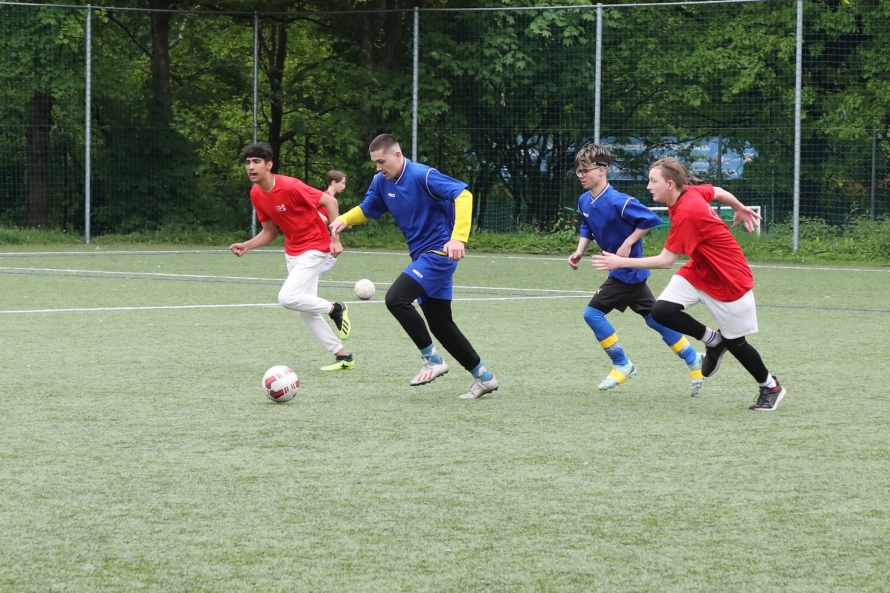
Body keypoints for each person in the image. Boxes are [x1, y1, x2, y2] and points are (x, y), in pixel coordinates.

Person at [592, 157, 786, 411]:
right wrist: (739, 207)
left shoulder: (687, 212)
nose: (648, 186)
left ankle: (770, 386)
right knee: (661, 311)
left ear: (669, 184)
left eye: (653, 181)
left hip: (729, 279)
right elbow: (718, 191)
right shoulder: (687, 193)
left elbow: (665, 261)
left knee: (737, 343)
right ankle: (713, 340)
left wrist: (620, 262)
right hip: (699, 271)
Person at [329, 133, 498, 399]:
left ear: (397, 155)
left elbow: (463, 195)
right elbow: (368, 208)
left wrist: (458, 237)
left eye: (382, 162)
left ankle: (432, 359)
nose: (378, 168)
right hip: (421, 257)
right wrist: (344, 219)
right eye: (375, 163)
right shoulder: (381, 182)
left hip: (439, 254)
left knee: (396, 299)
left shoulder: (423, 175)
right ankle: (484, 377)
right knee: (441, 325)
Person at [567, 144, 704, 395]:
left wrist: (629, 243)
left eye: (585, 170)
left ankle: (622, 364)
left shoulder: (619, 200)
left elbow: (650, 219)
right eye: (579, 171)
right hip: (624, 272)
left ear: (602, 170)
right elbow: (586, 225)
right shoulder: (584, 200)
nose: (581, 175)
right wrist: (579, 250)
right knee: (655, 319)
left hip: (627, 273)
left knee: (592, 314)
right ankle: (693, 357)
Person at [230, 142, 354, 372]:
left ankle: (335, 308)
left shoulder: (290, 186)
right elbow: (270, 232)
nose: (251, 167)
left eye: (256, 162)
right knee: (306, 311)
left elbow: (330, 201)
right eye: (248, 163)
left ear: (269, 165)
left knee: (287, 297)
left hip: (316, 246)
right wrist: (247, 245)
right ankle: (343, 355)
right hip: (293, 251)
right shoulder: (256, 193)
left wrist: (335, 238)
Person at [318, 170, 348, 277]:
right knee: (330, 258)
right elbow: (308, 207)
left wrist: (346, 222)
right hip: (316, 237)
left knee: (331, 258)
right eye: (342, 183)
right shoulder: (324, 196)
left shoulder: (332, 200)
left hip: (324, 236)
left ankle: (311, 279)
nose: (344, 186)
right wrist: (319, 215)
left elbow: (333, 220)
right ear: (334, 182)